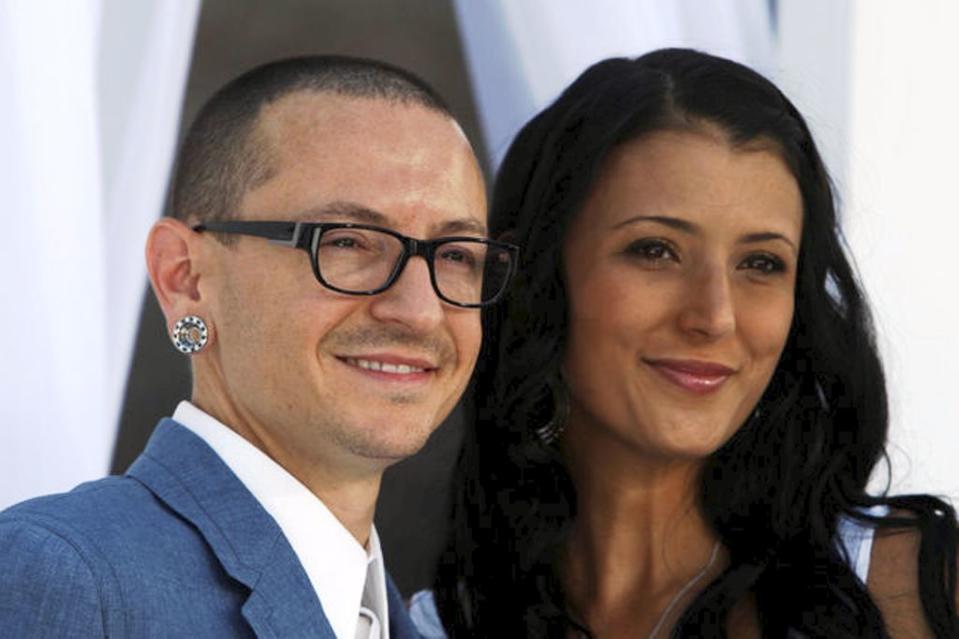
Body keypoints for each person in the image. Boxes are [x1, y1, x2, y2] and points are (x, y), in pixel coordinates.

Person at [411, 49, 959, 638]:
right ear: (537, 276)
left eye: (761, 263)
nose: (716, 316)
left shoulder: (916, 586)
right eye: (655, 250)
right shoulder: (432, 626)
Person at [0, 55, 518, 638]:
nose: (420, 311)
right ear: (185, 277)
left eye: (456, 256)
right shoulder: (65, 575)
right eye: (347, 242)